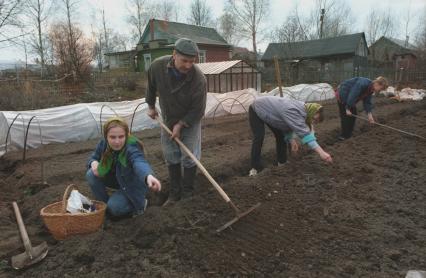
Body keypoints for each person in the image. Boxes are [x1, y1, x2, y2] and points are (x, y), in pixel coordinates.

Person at [146, 38, 207, 205]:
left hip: (190, 119)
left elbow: (198, 110)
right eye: (184, 60)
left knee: (189, 155)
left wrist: (181, 125)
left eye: (192, 61)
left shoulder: (198, 79)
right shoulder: (157, 67)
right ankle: (174, 194)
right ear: (174, 54)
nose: (188, 65)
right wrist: (151, 105)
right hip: (168, 117)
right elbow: (151, 86)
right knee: (170, 154)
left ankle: (187, 193)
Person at [86, 117, 161, 218]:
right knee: (91, 174)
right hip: (119, 179)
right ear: (106, 136)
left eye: (121, 137)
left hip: (132, 183)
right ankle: (103, 207)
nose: (117, 142)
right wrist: (93, 163)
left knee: (115, 208)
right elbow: (93, 157)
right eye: (112, 137)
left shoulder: (131, 147)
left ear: (126, 135)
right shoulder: (103, 144)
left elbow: (138, 162)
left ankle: (141, 203)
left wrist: (148, 176)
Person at [248, 96, 333, 177]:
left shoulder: (303, 110)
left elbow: (286, 125)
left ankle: (282, 163)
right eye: (314, 119)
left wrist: (291, 140)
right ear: (311, 112)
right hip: (257, 108)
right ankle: (255, 168)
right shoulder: (293, 111)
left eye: (315, 121)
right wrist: (322, 153)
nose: (313, 122)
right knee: (259, 136)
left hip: (271, 113)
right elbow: (305, 135)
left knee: (280, 137)